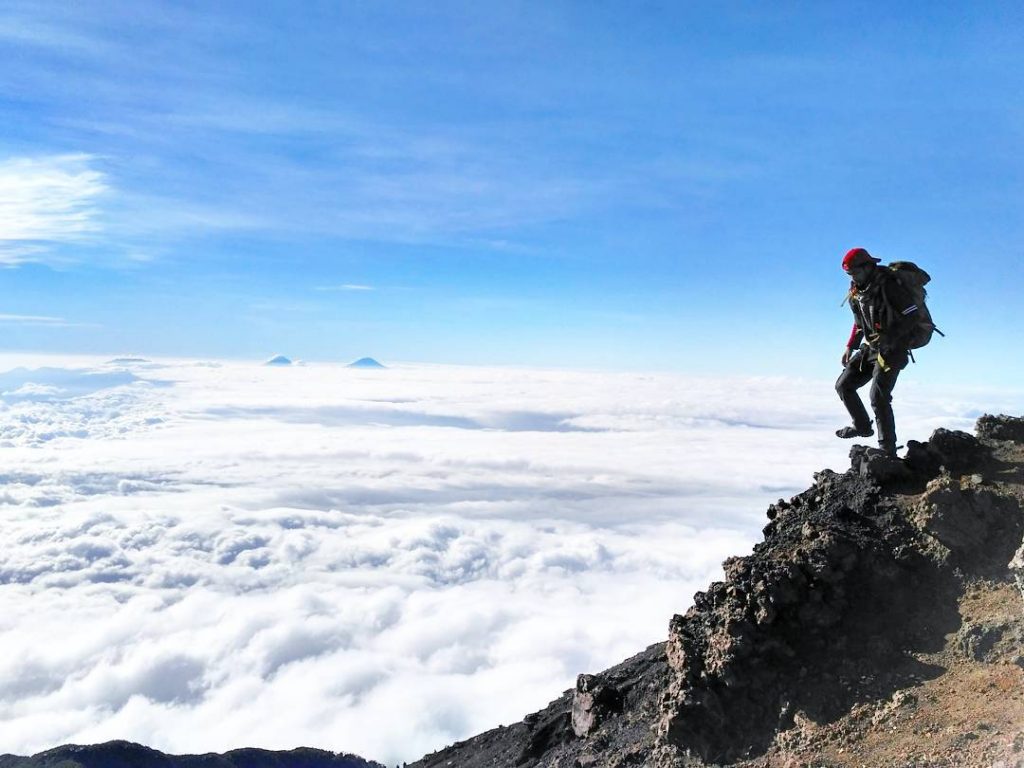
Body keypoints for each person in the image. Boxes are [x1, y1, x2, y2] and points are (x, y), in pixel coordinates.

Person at [835, 247, 919, 457]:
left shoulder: (889, 286)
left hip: (893, 350)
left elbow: (912, 316)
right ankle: (862, 427)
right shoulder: (857, 292)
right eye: (849, 274)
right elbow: (859, 324)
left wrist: (890, 338)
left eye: (855, 272)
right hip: (871, 348)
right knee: (844, 385)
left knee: (878, 397)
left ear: (868, 266)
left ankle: (887, 449)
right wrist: (850, 346)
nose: (852, 277)